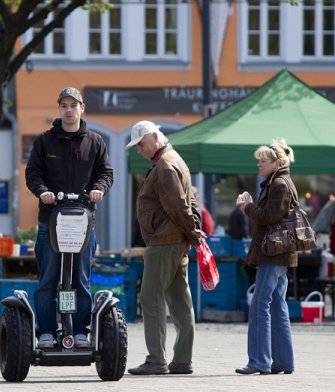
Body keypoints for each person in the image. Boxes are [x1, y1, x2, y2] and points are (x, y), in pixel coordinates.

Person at [25, 87, 113, 349]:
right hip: (50, 220)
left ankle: (81, 331)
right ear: (59, 109)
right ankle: (47, 332)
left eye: (73, 105)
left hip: (83, 221)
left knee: (81, 279)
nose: (69, 110)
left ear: (82, 108)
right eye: (64, 105)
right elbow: (33, 174)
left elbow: (106, 173)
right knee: (49, 279)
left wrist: (99, 189)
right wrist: (43, 193)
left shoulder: (95, 142)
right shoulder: (45, 141)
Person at [126, 120, 202, 376]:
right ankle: (181, 360)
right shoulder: (174, 159)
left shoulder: (165, 165)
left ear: (155, 138)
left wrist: (193, 233)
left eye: (142, 145)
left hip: (164, 241)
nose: (140, 150)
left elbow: (178, 206)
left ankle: (156, 359)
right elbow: (190, 201)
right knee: (180, 300)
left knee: (151, 298)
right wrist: (194, 234)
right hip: (175, 240)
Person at [235, 139, 296, 375]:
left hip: (273, 253)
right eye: (259, 161)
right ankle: (283, 361)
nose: (259, 165)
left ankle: (259, 361)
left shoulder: (279, 184)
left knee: (260, 304)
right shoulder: (280, 182)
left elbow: (269, 216)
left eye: (263, 161)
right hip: (279, 254)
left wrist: (247, 207)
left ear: (277, 163)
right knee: (278, 305)